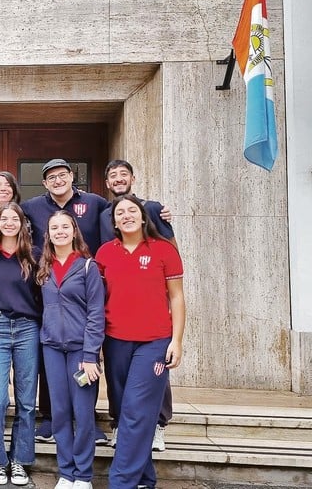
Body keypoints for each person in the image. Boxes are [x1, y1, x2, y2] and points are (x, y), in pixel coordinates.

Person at [95, 195, 186, 489]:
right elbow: (97, 299)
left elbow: (177, 297)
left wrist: (177, 341)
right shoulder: (105, 253)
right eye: (120, 213)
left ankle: (121, 482)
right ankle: (146, 478)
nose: (126, 216)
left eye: (132, 210)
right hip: (115, 341)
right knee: (124, 411)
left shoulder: (163, 250)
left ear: (144, 217)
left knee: (136, 410)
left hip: (154, 343)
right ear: (114, 222)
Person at [21, 159, 108, 444]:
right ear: (44, 183)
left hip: (82, 286)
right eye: (51, 177)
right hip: (48, 284)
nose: (57, 180)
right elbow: (8, 220)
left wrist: (157, 213)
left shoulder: (94, 203)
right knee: (52, 365)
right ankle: (49, 418)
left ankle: (88, 421)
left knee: (86, 365)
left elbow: (125, 213)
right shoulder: (33, 207)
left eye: (62, 175)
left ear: (72, 177)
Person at [99, 159, 176, 452]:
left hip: (151, 312)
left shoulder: (153, 208)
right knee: (117, 377)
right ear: (107, 183)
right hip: (116, 310)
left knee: (155, 375)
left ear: (132, 178)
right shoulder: (103, 213)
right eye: (113, 176)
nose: (118, 179)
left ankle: (157, 426)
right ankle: (120, 424)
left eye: (123, 174)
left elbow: (171, 252)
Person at [36, 211, 104, 489]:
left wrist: (90, 355)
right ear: (48, 234)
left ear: (74, 231)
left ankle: (84, 475)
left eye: (65, 226)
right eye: (55, 227)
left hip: (80, 352)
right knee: (60, 412)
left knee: (83, 413)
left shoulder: (88, 267)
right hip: (52, 348)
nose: (60, 231)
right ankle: (66, 472)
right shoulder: (44, 267)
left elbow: (96, 313)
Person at [0, 203, 40, 486]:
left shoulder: (33, 256)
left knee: (26, 401)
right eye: (4, 219)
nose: (9, 223)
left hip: (29, 328)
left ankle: (19, 460)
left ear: (22, 223)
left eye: (14, 219)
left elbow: (42, 294)